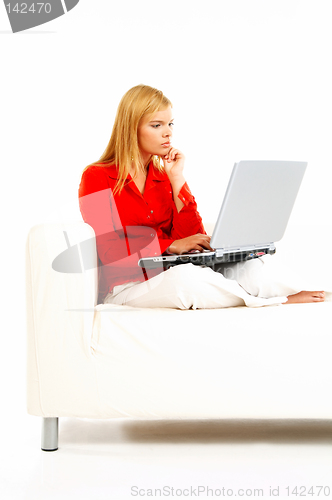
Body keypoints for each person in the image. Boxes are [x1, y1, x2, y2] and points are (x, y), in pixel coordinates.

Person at [79, 84, 325, 308]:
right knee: (186, 280)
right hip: (127, 286)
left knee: (252, 267)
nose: (168, 133)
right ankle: (275, 301)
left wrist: (177, 179)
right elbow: (107, 250)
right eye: (157, 125)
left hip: (170, 271)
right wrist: (170, 245)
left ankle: (306, 290)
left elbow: (192, 237)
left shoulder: (164, 175)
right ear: (131, 129)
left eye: (170, 124)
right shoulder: (97, 176)